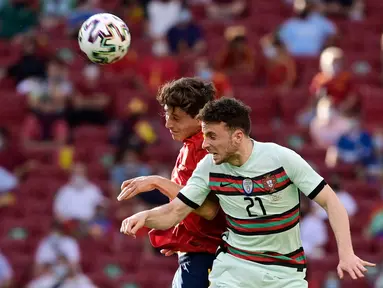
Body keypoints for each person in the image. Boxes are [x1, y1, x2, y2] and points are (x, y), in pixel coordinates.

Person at [120, 97, 376, 288]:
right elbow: (177, 210)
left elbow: (331, 202)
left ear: (237, 136)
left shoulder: (281, 159)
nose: (205, 143)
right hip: (234, 268)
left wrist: (347, 253)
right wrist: (145, 217)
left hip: (285, 272)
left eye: (211, 135)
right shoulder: (208, 166)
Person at [118, 78, 226, 288]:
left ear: (199, 117)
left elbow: (210, 209)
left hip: (207, 258)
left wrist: (158, 183)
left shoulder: (205, 150)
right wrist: (181, 233)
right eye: (167, 115)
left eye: (176, 118)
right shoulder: (190, 146)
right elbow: (191, 203)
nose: (168, 123)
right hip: (196, 253)